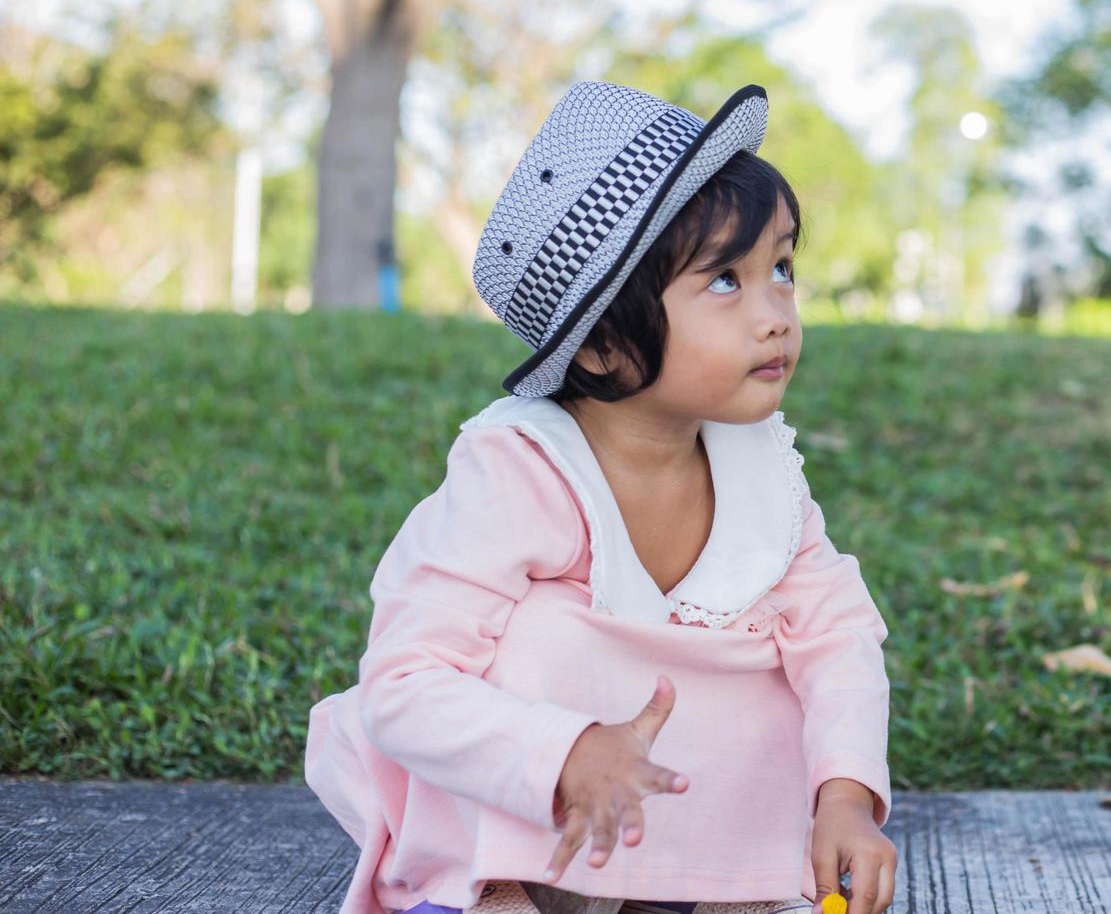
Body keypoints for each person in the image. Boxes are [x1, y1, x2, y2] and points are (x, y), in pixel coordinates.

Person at [304, 82, 896, 914]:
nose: (776, 315)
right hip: (534, 802)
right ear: (606, 347)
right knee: (541, 634)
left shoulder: (763, 471)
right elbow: (405, 684)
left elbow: (837, 636)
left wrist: (843, 794)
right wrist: (567, 752)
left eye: (783, 268)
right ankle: (504, 889)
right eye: (725, 280)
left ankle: (715, 885)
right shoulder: (522, 470)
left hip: (676, 804)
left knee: (774, 651)